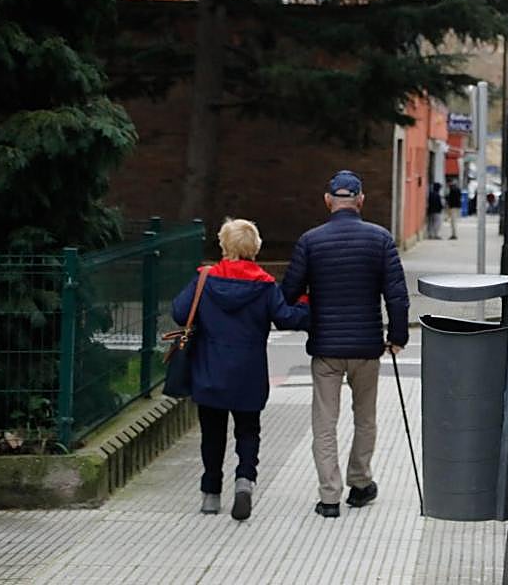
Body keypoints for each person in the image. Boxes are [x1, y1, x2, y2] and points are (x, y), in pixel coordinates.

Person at [281, 170, 409, 518]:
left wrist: (303, 312)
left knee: (325, 422)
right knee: (365, 418)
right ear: (360, 200)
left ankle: (329, 497)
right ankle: (360, 482)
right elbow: (397, 295)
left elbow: (288, 293)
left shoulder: (310, 241)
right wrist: (397, 337)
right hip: (367, 347)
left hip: (326, 348)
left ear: (328, 201)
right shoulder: (380, 239)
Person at [172, 218, 309, 521]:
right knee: (248, 430)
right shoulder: (265, 285)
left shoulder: (205, 280)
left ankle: (210, 493)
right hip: (249, 374)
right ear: (255, 248)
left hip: (209, 372)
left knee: (212, 433)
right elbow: (287, 318)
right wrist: (306, 301)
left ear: (224, 245)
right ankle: (245, 480)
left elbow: (180, 312)